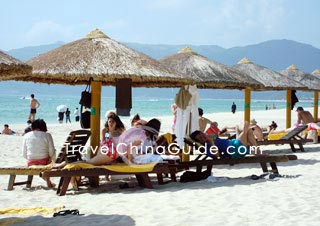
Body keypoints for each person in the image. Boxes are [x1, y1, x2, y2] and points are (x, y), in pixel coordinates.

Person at [85, 118, 162, 166]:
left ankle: (74, 174)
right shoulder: (143, 135)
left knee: (89, 163)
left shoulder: (139, 131)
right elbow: (130, 147)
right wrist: (130, 162)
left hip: (111, 146)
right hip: (113, 150)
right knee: (89, 164)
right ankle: (73, 171)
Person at [190, 121, 259, 159]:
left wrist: (223, 129)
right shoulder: (206, 146)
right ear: (199, 141)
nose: (203, 137)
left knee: (240, 127)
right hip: (234, 149)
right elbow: (217, 155)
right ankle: (256, 151)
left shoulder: (211, 137)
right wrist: (211, 142)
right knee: (246, 126)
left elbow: (217, 133)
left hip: (234, 145)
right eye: (200, 138)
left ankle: (256, 151)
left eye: (202, 135)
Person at [21, 119, 57, 188]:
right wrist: (52, 160)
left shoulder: (26, 135)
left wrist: (31, 157)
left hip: (31, 162)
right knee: (51, 154)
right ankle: (48, 182)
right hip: (45, 162)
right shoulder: (47, 135)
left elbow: (23, 153)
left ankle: (49, 182)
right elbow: (51, 151)